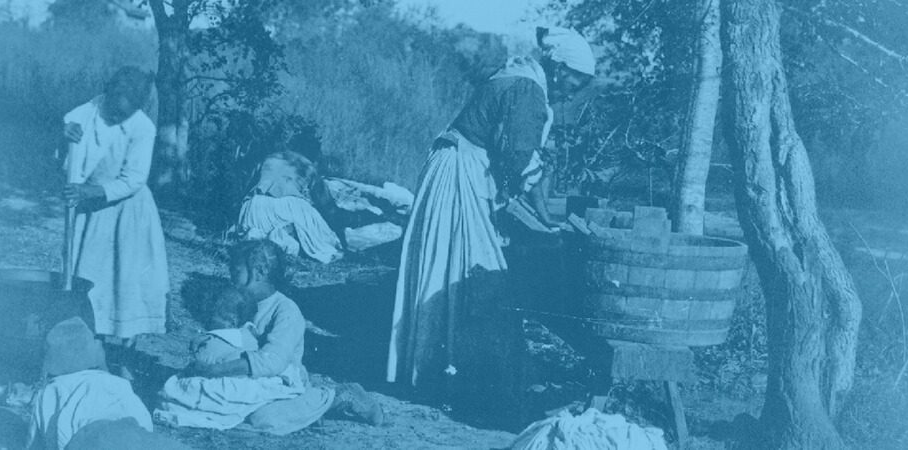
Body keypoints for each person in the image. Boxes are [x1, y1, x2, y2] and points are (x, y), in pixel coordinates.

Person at [386, 27, 596, 389]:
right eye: (573, 84)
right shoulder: (526, 88)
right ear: (559, 68)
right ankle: (456, 373)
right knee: (475, 272)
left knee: (450, 265)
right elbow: (519, 158)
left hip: (454, 166)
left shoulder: (518, 77)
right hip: (459, 175)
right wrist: (545, 216)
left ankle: (437, 367)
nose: (570, 94)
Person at [155, 240, 382, 434]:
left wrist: (215, 370)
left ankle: (336, 396)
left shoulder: (285, 310)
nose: (231, 278)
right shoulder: (235, 301)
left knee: (263, 419)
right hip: (242, 378)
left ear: (259, 272)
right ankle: (306, 412)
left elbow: (272, 362)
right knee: (186, 394)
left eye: (236, 272)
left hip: (279, 381)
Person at [60, 66, 170, 373]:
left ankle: (121, 354)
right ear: (106, 94)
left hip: (127, 211)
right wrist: (65, 133)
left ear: (136, 108)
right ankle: (86, 343)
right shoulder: (90, 109)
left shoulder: (142, 128)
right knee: (89, 274)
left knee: (124, 278)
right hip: (90, 210)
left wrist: (90, 191)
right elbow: (70, 127)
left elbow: (134, 179)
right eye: (113, 110)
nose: (116, 117)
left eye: (124, 114)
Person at [26, 317, 190, 450]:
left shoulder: (52, 390)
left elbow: (35, 441)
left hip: (90, 438)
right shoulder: (116, 382)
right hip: (130, 430)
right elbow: (139, 413)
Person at [234, 151, 344, 263]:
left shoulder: (270, 157)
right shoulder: (308, 167)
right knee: (316, 225)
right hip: (286, 206)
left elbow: (248, 186)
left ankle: (273, 238)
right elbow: (326, 205)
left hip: (255, 206)